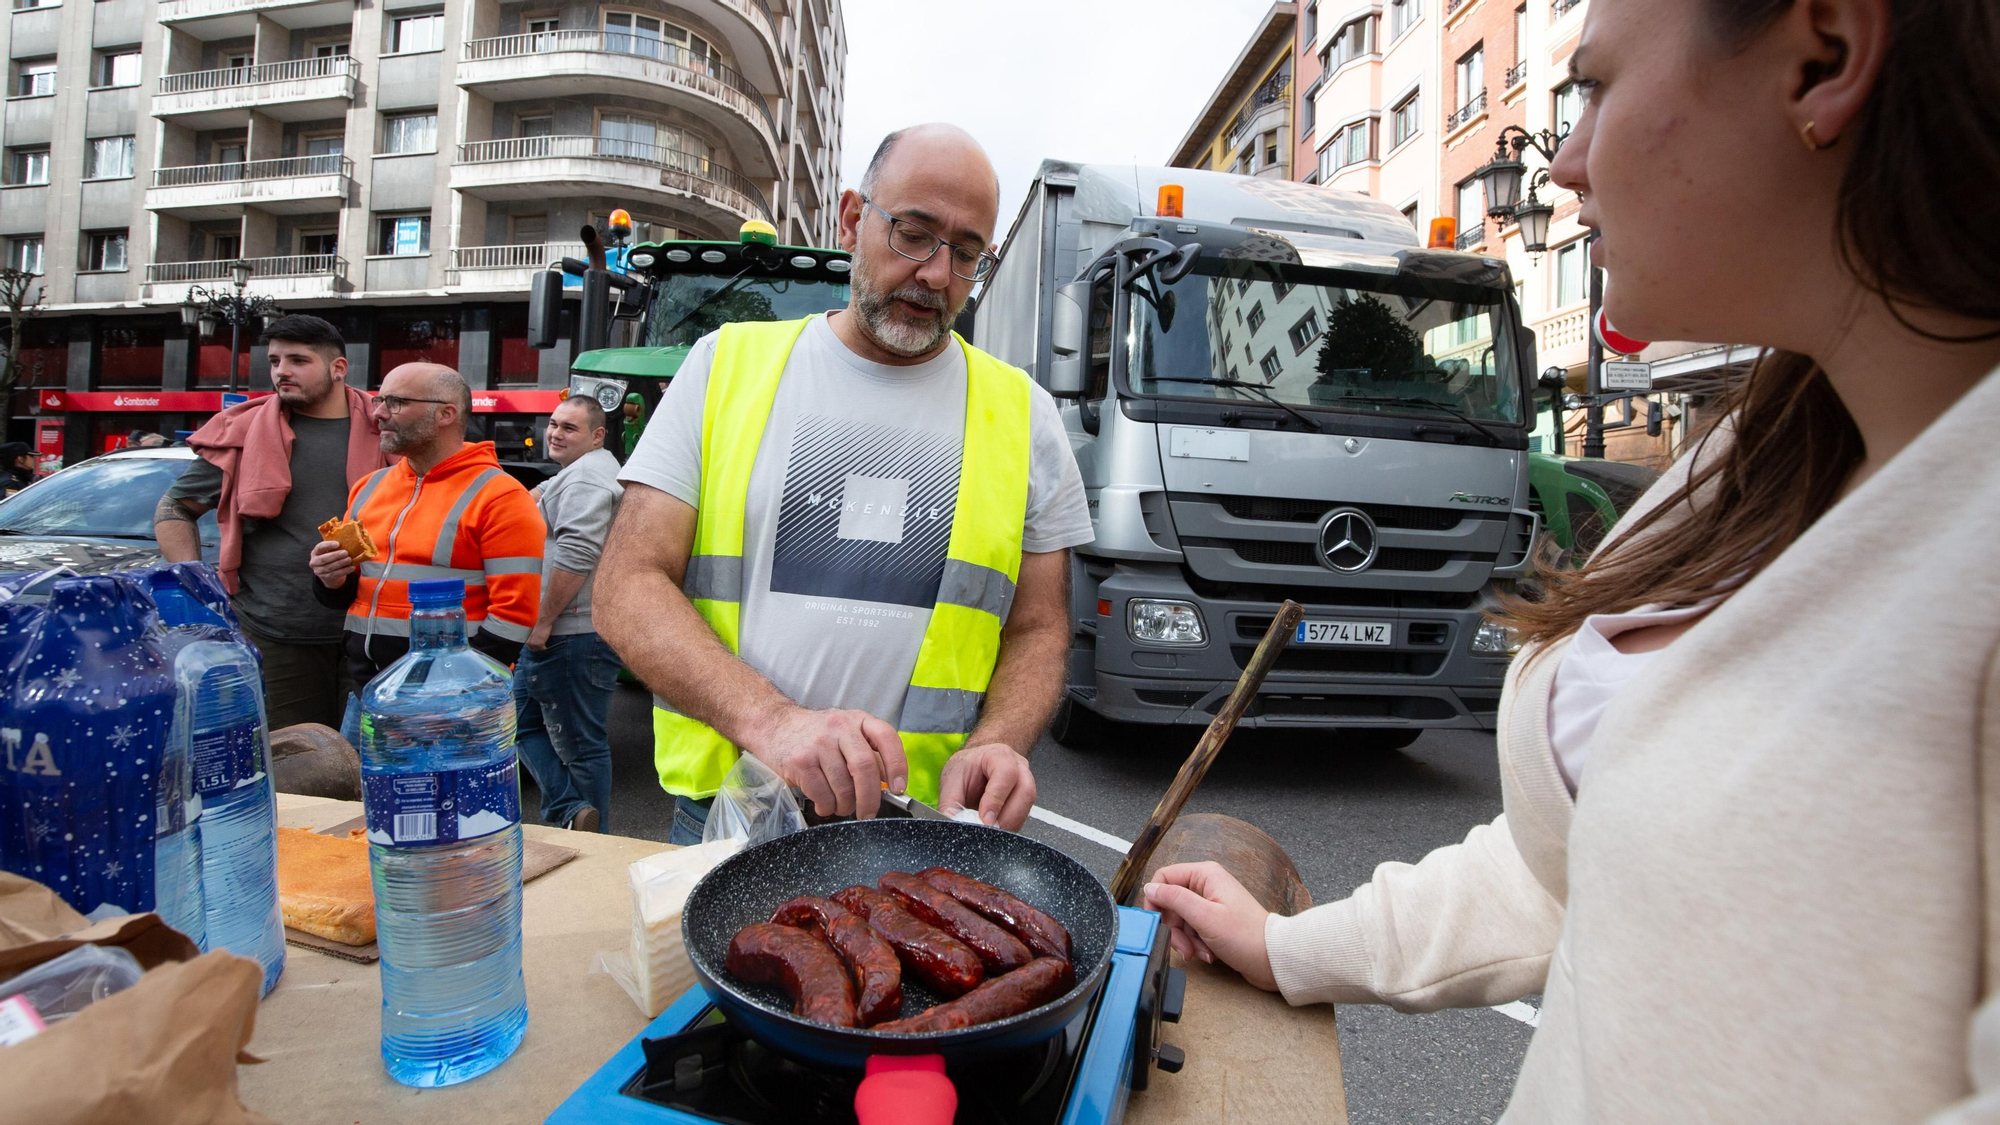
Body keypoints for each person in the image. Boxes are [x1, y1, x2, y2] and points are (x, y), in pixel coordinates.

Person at [1144, 0, 2000, 1120]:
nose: (1564, 165)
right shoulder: (1752, 457)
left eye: (1590, 88)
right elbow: (1587, 859)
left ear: (1823, 56)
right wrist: (1294, 946)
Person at [597, 123, 1092, 845]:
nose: (934, 274)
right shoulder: (723, 366)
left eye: (965, 253)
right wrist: (770, 720)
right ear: (854, 219)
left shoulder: (1024, 416)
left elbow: (1040, 628)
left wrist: (1001, 740)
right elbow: (626, 584)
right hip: (729, 816)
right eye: (915, 234)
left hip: (921, 827)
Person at [155, 315, 391, 731]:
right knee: (293, 769)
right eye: (275, 360)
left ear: (338, 369)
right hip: (276, 631)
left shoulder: (388, 426)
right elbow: (174, 510)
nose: (282, 370)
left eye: (298, 360)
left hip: (374, 630)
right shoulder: (241, 431)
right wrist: (196, 585)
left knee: (368, 768)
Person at [307, 363, 545, 741]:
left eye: (396, 402)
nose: (379, 412)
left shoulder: (502, 497)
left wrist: (453, 692)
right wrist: (330, 577)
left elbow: (514, 619)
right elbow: (350, 592)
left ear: (446, 414)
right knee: (361, 802)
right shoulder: (369, 487)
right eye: (379, 400)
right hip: (369, 696)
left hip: (449, 709)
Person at [513, 396, 624, 833]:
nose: (556, 433)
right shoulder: (576, 475)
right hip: (557, 631)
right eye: (554, 424)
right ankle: (570, 810)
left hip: (569, 633)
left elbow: (578, 551)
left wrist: (543, 621)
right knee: (517, 725)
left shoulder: (589, 479)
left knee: (580, 745)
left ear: (597, 436)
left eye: (570, 428)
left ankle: (592, 845)